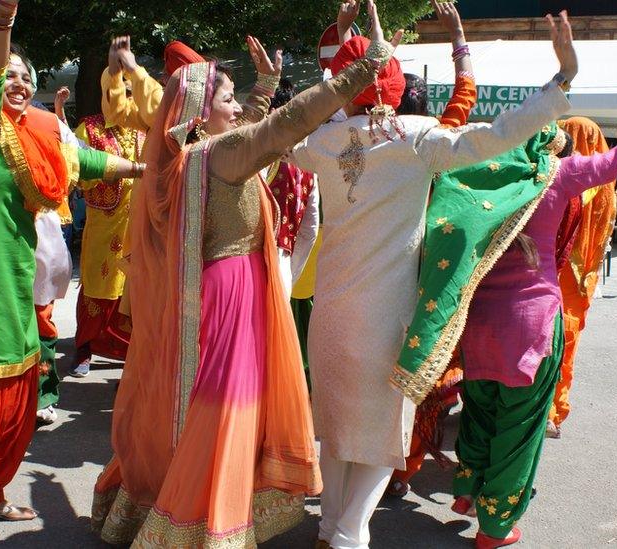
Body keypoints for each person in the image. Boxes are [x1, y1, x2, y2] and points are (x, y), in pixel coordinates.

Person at [91, 8, 403, 545]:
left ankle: (185, 510)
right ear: (200, 111)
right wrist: (364, 69)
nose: (238, 108)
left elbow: (250, 134)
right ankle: (212, 523)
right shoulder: (223, 154)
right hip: (233, 293)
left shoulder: (184, 156)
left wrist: (263, 87)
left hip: (209, 292)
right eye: (228, 99)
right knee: (227, 411)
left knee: (202, 409)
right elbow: (281, 127)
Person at [289, 1, 578, 544]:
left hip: (330, 312)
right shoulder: (417, 138)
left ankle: (330, 525)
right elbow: (493, 137)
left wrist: (346, 48)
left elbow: (307, 116)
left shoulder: (322, 143)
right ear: (399, 85)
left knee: (334, 428)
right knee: (381, 434)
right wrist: (559, 82)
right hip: (388, 314)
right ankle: (349, 532)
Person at [398, 75, 617, 547]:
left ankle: (467, 490)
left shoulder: (475, 176)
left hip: (478, 325)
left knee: (481, 409)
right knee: (520, 427)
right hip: (530, 327)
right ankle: (495, 527)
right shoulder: (556, 176)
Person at [0, 1, 142, 544]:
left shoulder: (41, 137)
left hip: (22, 283)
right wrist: (1, 22)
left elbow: (86, 162)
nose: (17, 83)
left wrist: (143, 166)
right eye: (9, 76)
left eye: (26, 77)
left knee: (22, 396)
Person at [386, 0, 477, 499]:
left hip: (382, 272)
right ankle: (404, 465)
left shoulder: (374, 141)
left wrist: (382, 55)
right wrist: (457, 35)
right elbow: (467, 91)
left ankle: (378, 462)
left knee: (384, 374)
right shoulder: (440, 143)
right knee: (425, 371)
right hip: (435, 278)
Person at [71, 35, 164, 377]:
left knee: (132, 290)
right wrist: (111, 174)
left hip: (138, 222)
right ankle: (84, 348)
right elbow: (79, 170)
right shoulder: (90, 127)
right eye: (119, 84)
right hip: (104, 223)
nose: (126, 91)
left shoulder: (147, 126)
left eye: (130, 85)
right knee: (97, 282)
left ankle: (126, 352)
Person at [546, 115, 617, 438]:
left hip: (547, 274)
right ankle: (552, 410)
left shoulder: (559, 175)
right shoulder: (602, 185)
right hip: (577, 282)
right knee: (564, 347)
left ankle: (541, 411)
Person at [265, 77, 319, 295]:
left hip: (250, 265)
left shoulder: (256, 156)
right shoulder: (308, 163)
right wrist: (289, 270)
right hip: (283, 266)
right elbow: (310, 231)